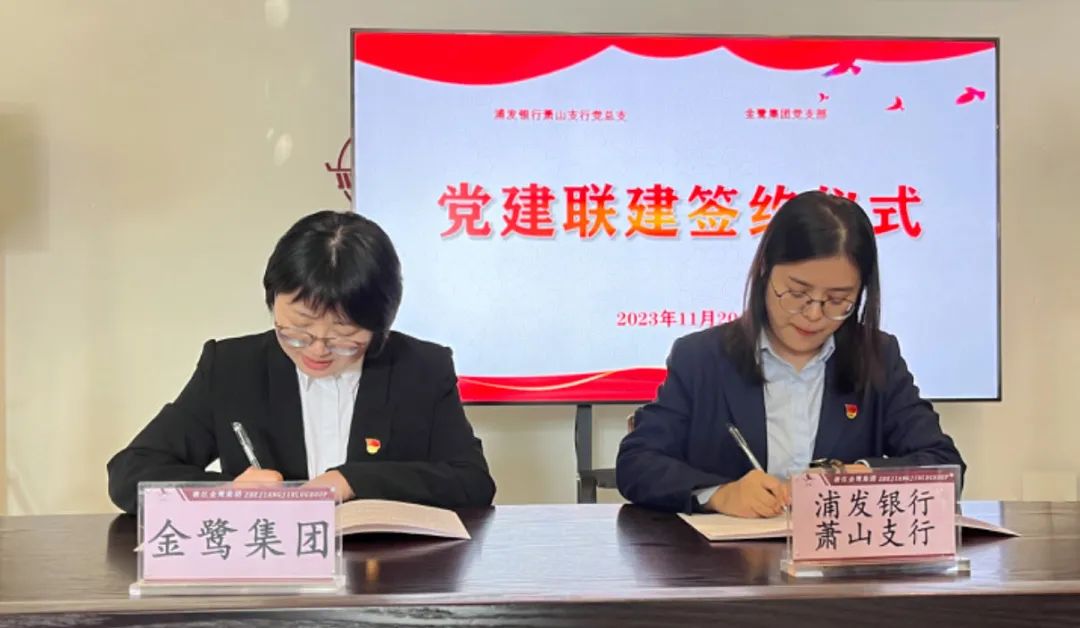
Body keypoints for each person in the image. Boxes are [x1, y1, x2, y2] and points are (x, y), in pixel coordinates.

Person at [108, 210, 496, 513]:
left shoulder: (422, 368)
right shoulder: (231, 368)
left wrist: (353, 481)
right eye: (297, 330)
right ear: (273, 300)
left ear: (381, 323)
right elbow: (130, 472)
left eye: (343, 336)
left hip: (387, 577)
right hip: (268, 575)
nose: (317, 350)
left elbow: (473, 481)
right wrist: (226, 492)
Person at [616, 191, 964, 516]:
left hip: (839, 558)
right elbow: (637, 463)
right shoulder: (701, 358)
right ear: (765, 270)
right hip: (727, 559)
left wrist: (858, 477)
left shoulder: (878, 357)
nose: (813, 314)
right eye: (797, 293)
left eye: (838, 300)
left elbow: (945, 466)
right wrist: (720, 494)